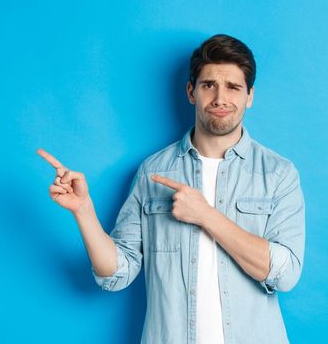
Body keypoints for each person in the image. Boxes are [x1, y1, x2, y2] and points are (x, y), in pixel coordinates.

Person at [37, 34, 305, 343]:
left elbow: (285, 274)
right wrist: (83, 211)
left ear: (249, 96)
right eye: (209, 85)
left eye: (233, 87)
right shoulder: (153, 171)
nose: (220, 98)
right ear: (191, 92)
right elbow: (116, 273)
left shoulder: (278, 174)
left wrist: (206, 215)